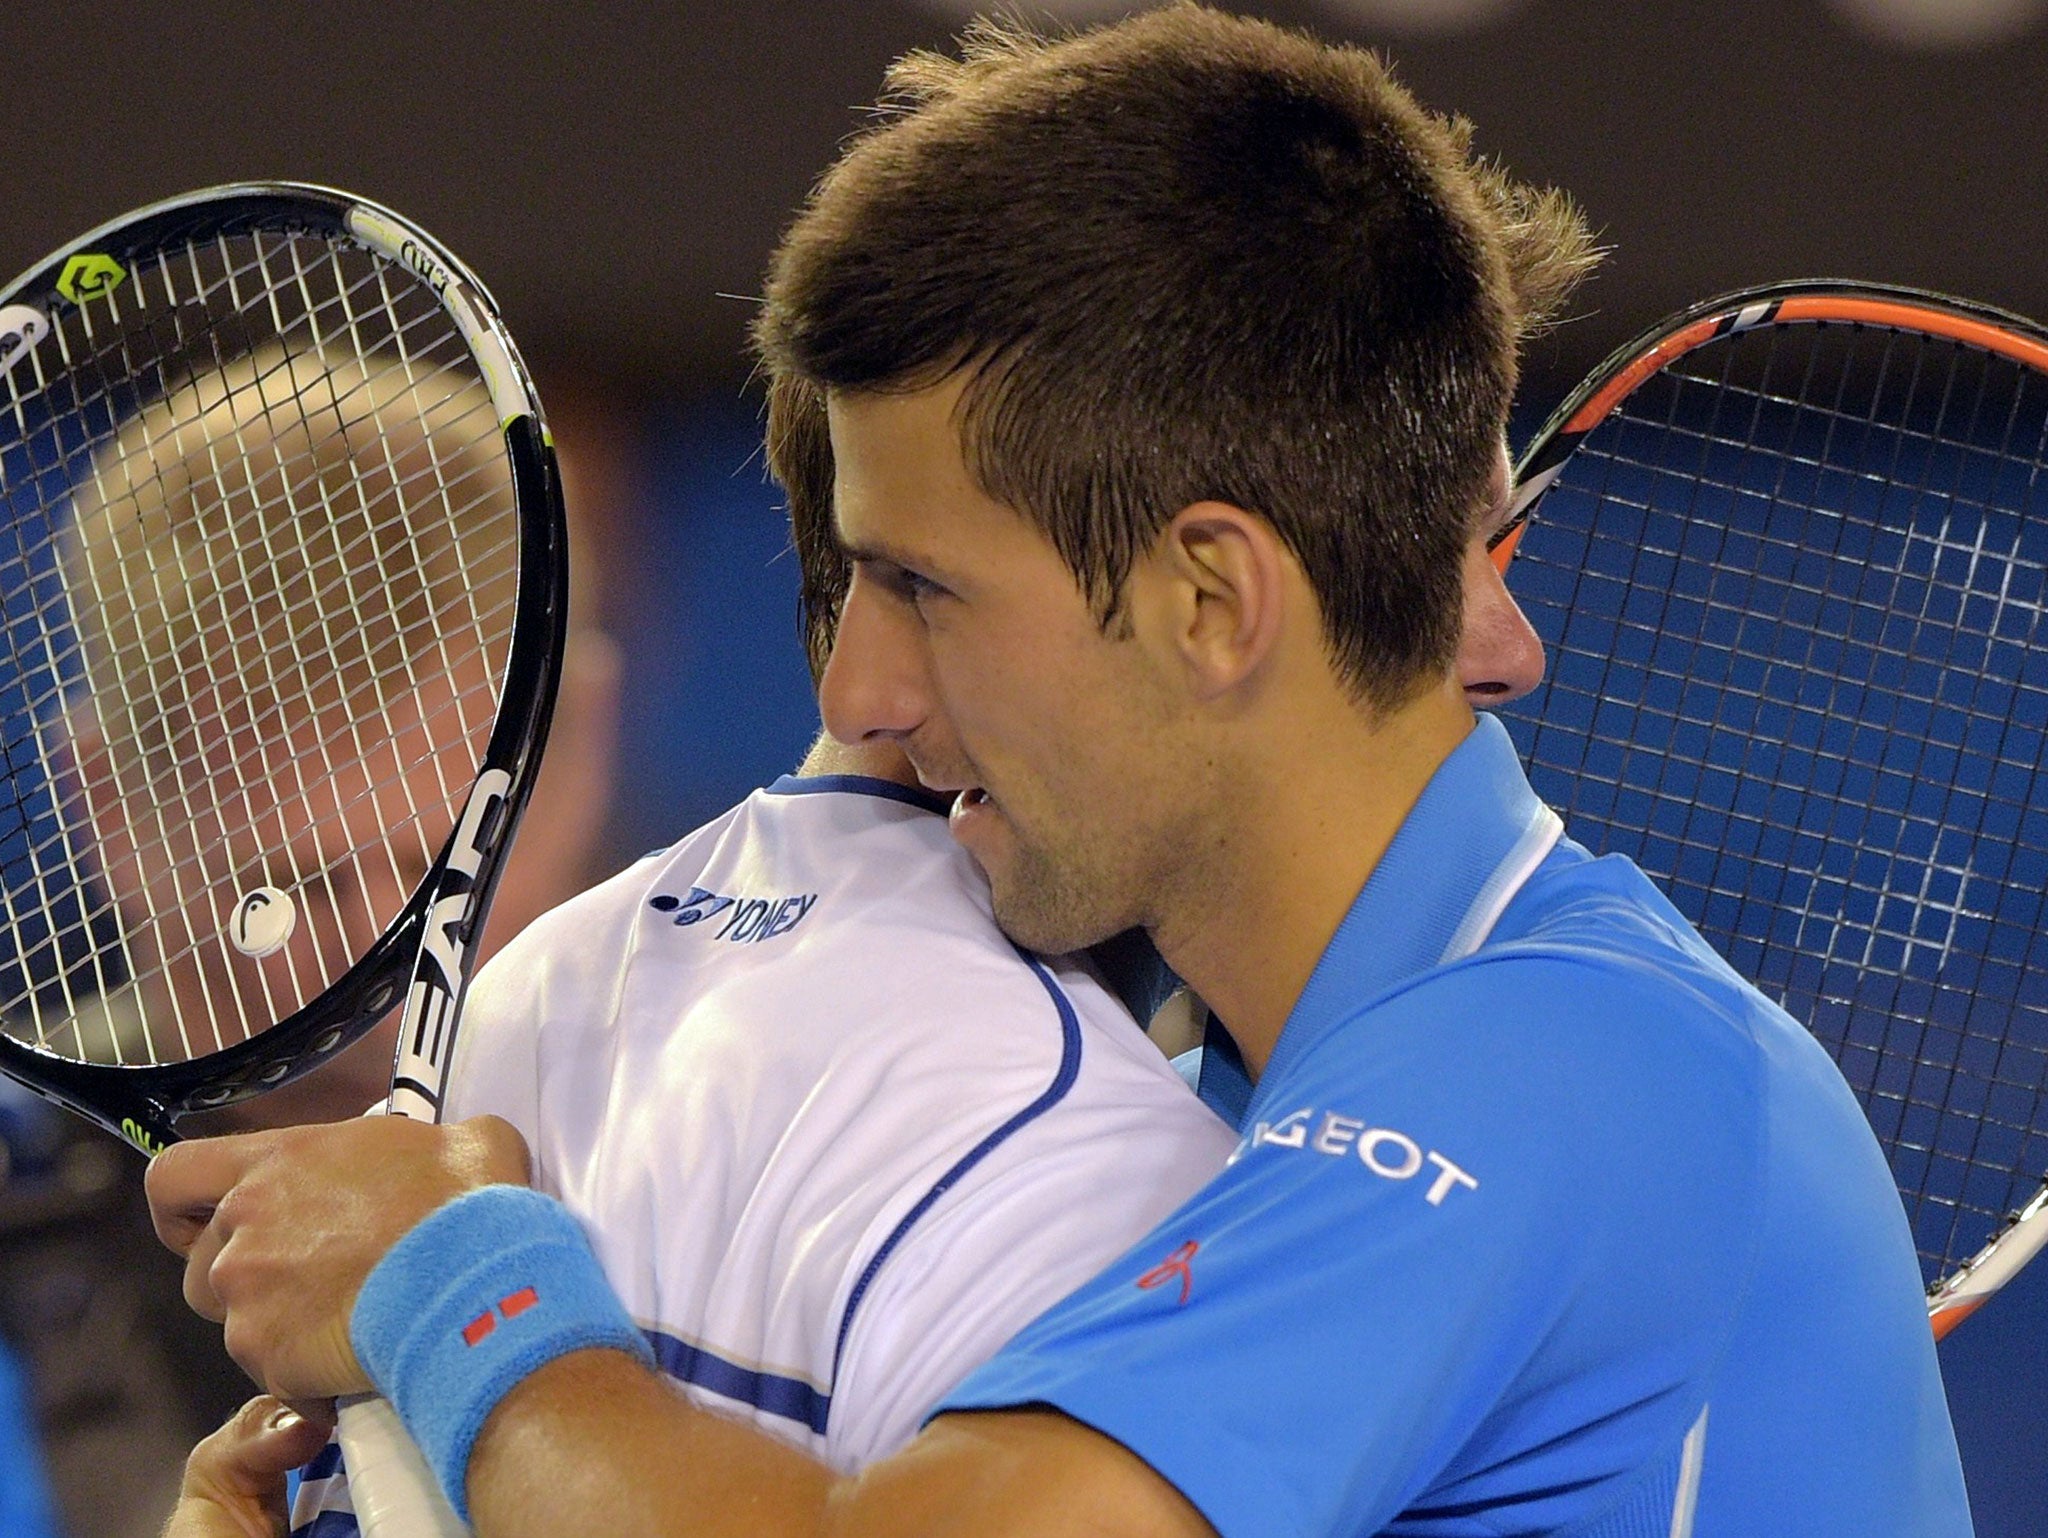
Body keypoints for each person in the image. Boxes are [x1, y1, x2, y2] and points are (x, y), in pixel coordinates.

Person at [149, 7, 1973, 1537]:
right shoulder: (1276, 1076)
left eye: (924, 588)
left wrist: (451, 1286)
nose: (860, 688)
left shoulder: (1556, 1072)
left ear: (1210, 600)